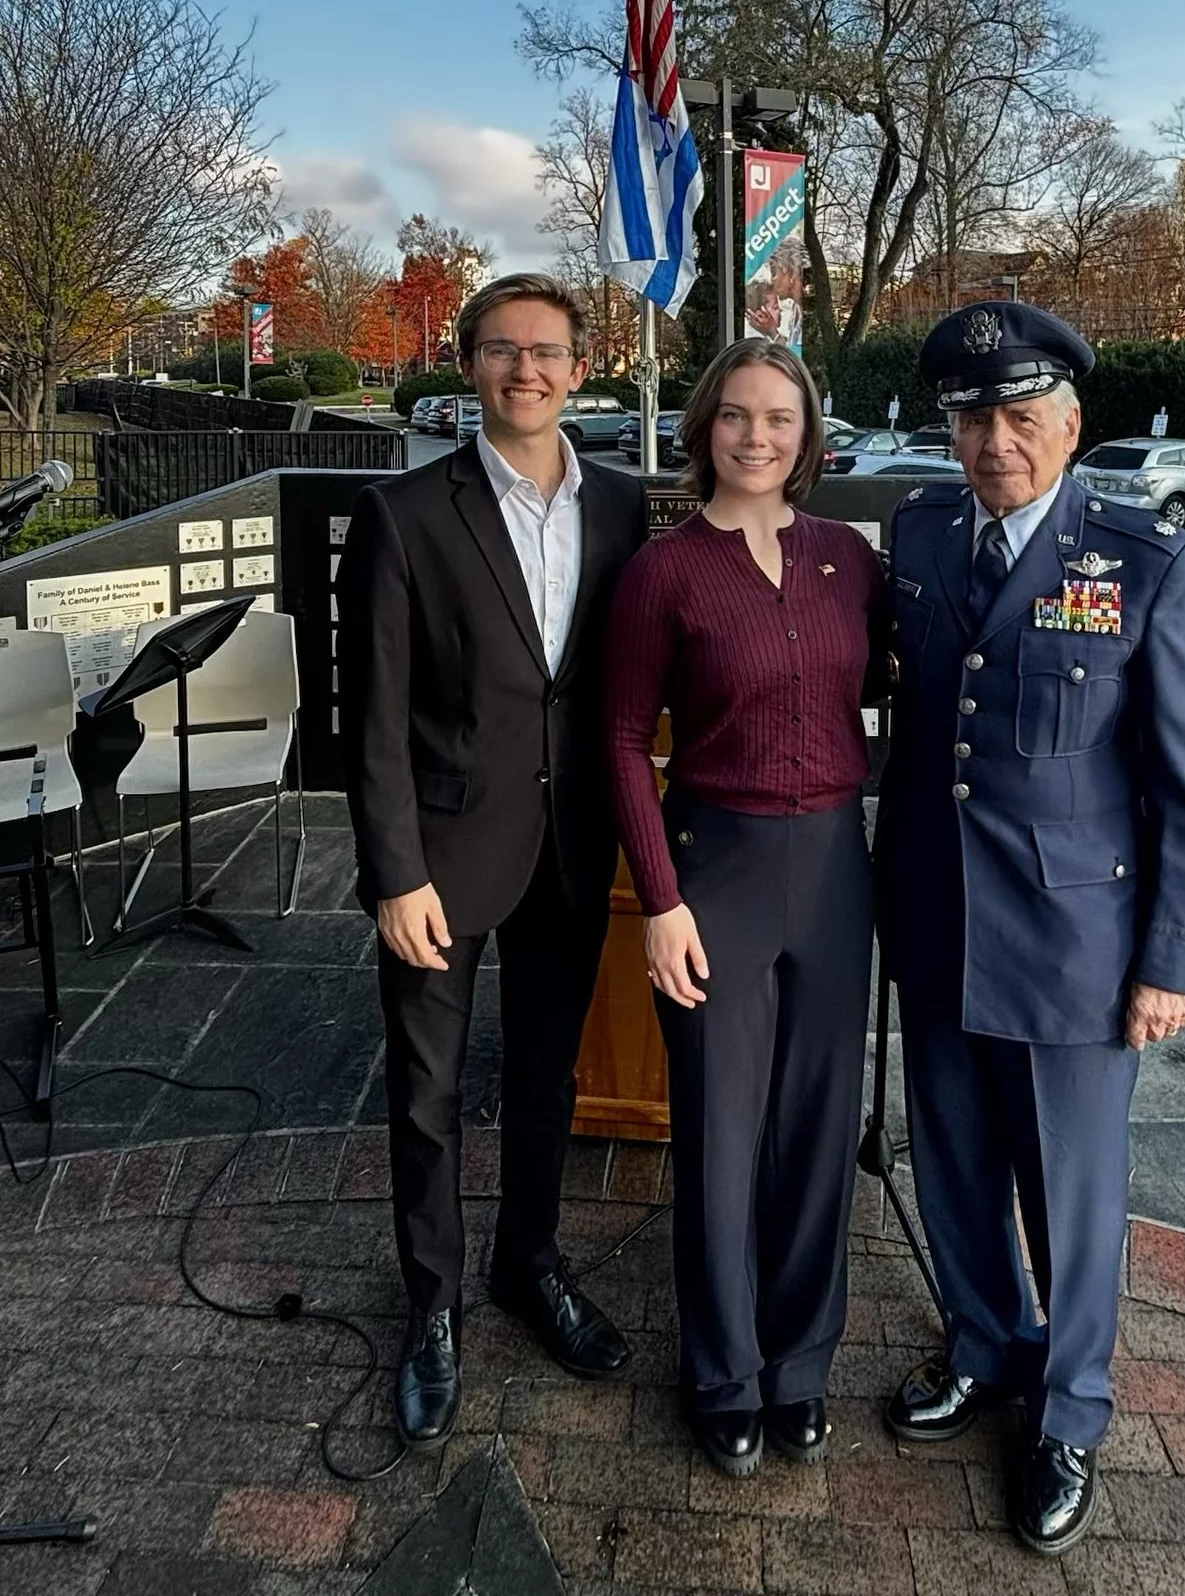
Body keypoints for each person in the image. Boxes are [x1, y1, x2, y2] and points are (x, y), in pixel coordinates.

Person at [876, 300, 1185, 1555]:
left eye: (1020, 419)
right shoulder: (918, 537)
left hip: (1078, 946)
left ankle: (1072, 1410)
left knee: (1072, 1193)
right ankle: (983, 1344)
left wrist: (1173, 961)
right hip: (934, 918)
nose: (994, 444)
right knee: (957, 1162)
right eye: (973, 419)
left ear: (1070, 425)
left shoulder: (1141, 557)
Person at [336, 272, 647, 1452]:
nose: (527, 370)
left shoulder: (622, 508)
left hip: (570, 853)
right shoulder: (405, 515)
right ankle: (433, 1305)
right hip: (443, 857)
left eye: (549, 352)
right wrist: (391, 873)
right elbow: (372, 715)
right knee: (423, 1095)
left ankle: (530, 1265)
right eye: (503, 350)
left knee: (544, 1083)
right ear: (470, 366)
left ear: (581, 370)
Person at [606, 338, 885, 1478]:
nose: (756, 437)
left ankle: (802, 1362)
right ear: (703, 426)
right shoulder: (664, 572)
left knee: (819, 1128)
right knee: (721, 1133)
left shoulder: (849, 561)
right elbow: (623, 740)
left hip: (833, 869)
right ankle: (723, 1370)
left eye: (779, 419)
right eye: (736, 416)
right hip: (714, 864)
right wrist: (661, 902)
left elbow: (892, 694)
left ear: (809, 437)